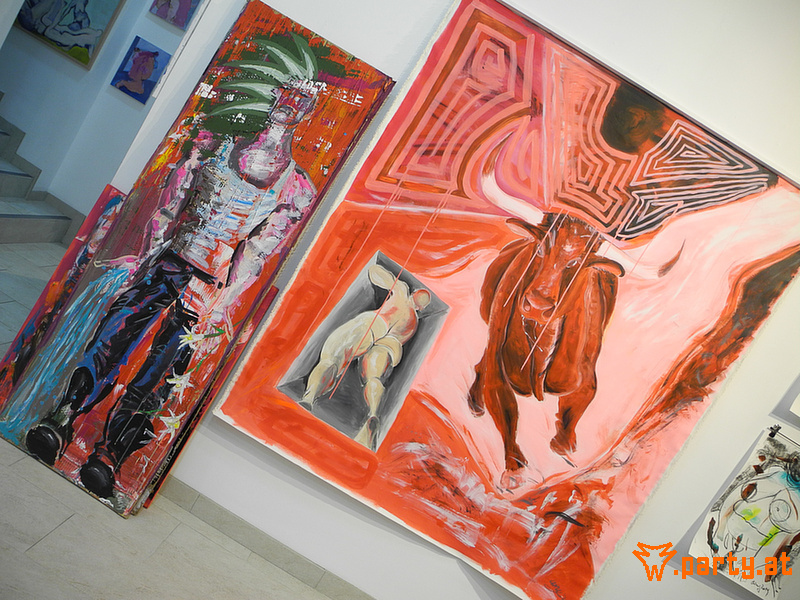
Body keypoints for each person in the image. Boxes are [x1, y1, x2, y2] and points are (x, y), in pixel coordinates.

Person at [25, 80, 320, 497]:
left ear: (307, 111)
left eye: (301, 98)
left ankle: (110, 454)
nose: (289, 103)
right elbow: (170, 205)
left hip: (209, 284)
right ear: (275, 97)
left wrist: (222, 299)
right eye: (287, 93)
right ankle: (64, 417)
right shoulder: (216, 147)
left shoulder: (297, 188)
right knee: (112, 337)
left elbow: (257, 251)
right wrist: (147, 256)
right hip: (168, 262)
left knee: (163, 368)